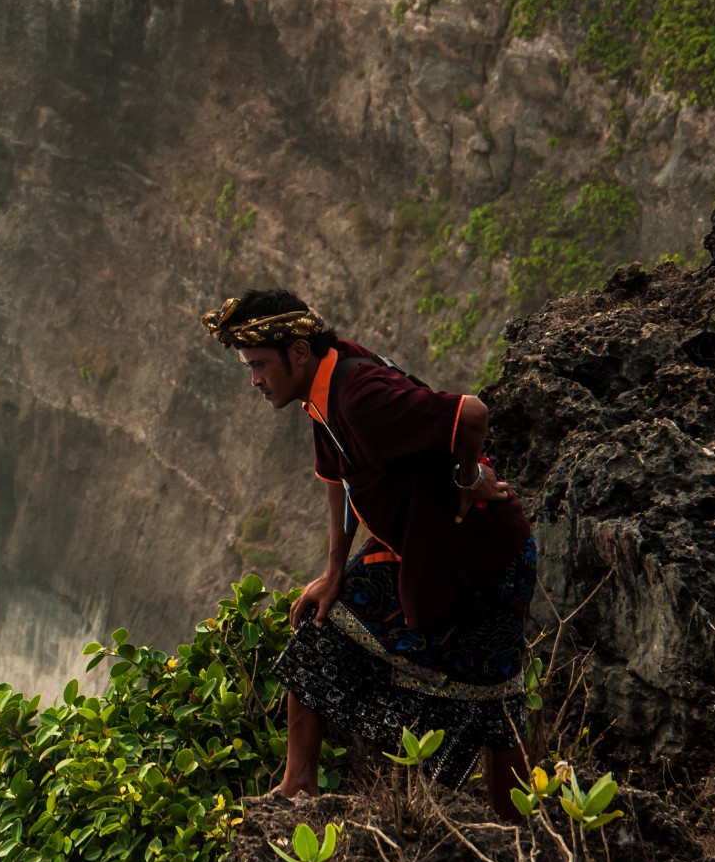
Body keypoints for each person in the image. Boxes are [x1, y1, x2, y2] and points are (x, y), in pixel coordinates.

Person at [201, 288, 535, 821]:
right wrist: (335, 571)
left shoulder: (361, 394)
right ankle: (297, 787)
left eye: (260, 365)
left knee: (496, 699)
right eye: (249, 366)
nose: (255, 380)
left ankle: (518, 835)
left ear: (300, 352)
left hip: (485, 557)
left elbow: (470, 414)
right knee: (322, 623)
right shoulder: (323, 393)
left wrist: (467, 477)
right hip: (423, 548)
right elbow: (338, 477)